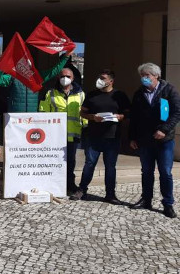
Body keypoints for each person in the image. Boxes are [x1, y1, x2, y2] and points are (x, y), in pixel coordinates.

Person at [129, 63, 180, 218]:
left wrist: (164, 130)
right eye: (142, 75)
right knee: (146, 171)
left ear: (156, 75)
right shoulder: (139, 93)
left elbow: (177, 113)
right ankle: (146, 199)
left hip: (164, 140)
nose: (144, 78)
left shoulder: (169, 90)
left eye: (147, 75)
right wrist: (132, 137)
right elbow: (134, 117)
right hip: (145, 140)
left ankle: (168, 203)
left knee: (165, 172)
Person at [72, 70, 130, 203]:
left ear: (111, 81)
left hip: (112, 137)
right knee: (89, 164)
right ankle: (82, 190)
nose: (100, 80)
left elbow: (128, 113)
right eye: (99, 77)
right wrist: (93, 117)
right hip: (93, 137)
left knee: (110, 166)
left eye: (103, 78)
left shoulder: (119, 95)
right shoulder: (92, 95)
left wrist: (120, 117)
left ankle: (110, 194)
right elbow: (83, 113)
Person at [39, 67, 87, 194]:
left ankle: (70, 185)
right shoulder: (50, 93)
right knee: (54, 160)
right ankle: (54, 184)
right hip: (55, 135)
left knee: (70, 161)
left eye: (68, 76)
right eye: (62, 76)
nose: (64, 79)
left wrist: (86, 127)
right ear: (57, 78)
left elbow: (84, 113)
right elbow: (44, 114)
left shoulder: (81, 94)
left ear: (73, 78)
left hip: (74, 134)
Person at [0, 53, 70, 112]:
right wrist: (3, 66)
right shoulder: (13, 77)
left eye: (28, 64)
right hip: (14, 118)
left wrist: (66, 56)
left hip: (32, 117)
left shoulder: (37, 77)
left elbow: (55, 70)